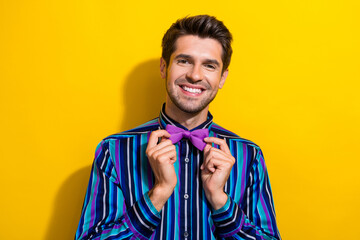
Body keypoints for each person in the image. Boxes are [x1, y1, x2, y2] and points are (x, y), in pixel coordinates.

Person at [75, 15, 281, 240]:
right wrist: (159, 193)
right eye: (184, 61)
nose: (194, 75)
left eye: (209, 66)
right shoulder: (113, 152)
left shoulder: (249, 155)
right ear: (164, 67)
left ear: (222, 78)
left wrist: (220, 200)